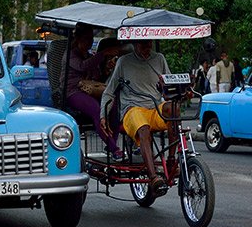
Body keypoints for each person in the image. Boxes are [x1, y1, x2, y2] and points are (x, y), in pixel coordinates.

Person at [102, 39, 172, 195]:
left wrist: (172, 88)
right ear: (134, 45)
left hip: (154, 107)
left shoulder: (159, 58)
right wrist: (103, 115)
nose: (147, 47)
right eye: (142, 44)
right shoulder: (123, 61)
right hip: (132, 109)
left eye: (149, 44)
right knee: (144, 127)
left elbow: (169, 85)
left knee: (172, 109)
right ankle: (153, 177)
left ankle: (172, 160)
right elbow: (109, 91)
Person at [64, 24, 124, 161]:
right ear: (78, 39)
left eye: (91, 39)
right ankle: (115, 149)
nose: (89, 42)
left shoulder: (90, 55)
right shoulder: (70, 55)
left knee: (112, 105)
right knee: (97, 110)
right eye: (86, 39)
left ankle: (110, 144)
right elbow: (83, 66)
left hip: (90, 91)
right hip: (73, 92)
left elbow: (97, 77)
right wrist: (102, 54)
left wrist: (106, 67)